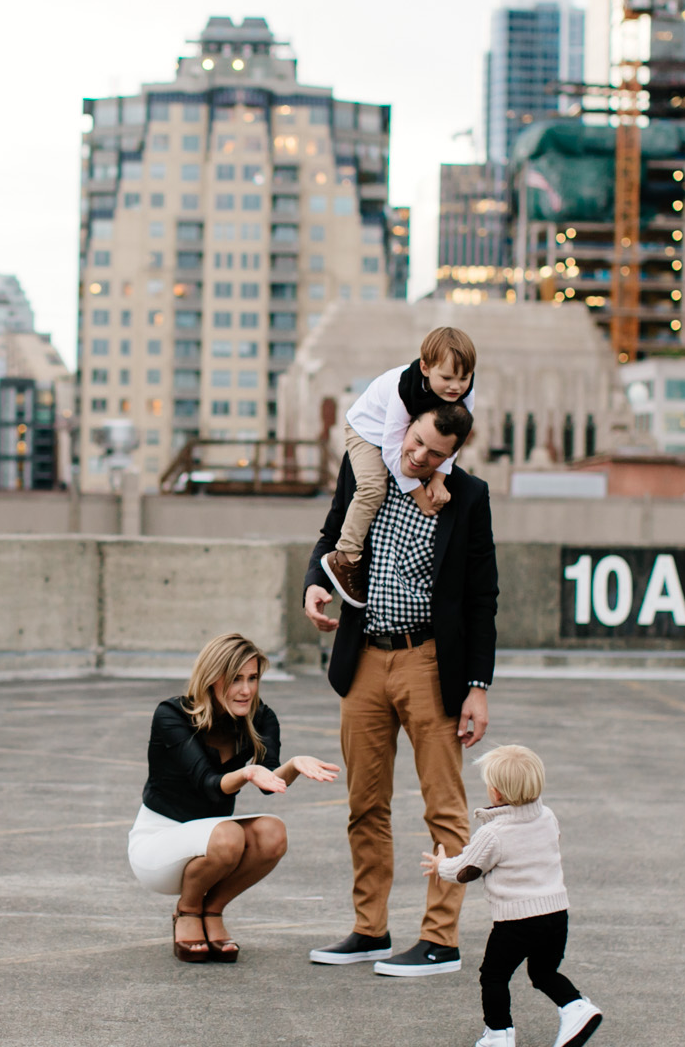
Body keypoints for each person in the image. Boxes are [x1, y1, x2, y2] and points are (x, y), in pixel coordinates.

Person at [302, 400, 498, 977]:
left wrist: (477, 686)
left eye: (434, 453)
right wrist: (315, 582)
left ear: (453, 452)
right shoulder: (369, 471)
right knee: (364, 804)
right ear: (406, 427)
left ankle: (440, 940)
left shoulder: (467, 497)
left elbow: (483, 595)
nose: (417, 457)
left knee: (445, 809)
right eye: (414, 443)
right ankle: (370, 931)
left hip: (428, 662)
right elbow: (330, 536)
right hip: (363, 658)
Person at [127, 632, 340, 963]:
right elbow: (207, 783)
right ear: (212, 678)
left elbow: (269, 782)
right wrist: (245, 773)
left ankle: (212, 910)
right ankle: (186, 911)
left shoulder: (261, 717)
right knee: (228, 835)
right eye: (235, 679)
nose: (246, 690)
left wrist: (294, 765)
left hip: (213, 843)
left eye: (253, 678)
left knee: (273, 833)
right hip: (159, 845)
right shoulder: (172, 715)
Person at [422, 744, 603, 1047]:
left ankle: (499, 1034)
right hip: (556, 914)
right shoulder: (547, 817)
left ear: (495, 793)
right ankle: (575, 1007)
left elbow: (467, 870)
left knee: (494, 975)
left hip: (517, 921)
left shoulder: (494, 832)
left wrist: (441, 866)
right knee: (544, 972)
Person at [318, 326, 478, 610]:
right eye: (447, 378)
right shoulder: (404, 388)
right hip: (367, 430)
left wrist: (440, 478)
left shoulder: (466, 393)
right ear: (426, 368)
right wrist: (417, 493)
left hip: (405, 434)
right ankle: (345, 556)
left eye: (463, 378)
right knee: (372, 487)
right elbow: (392, 448)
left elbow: (455, 439)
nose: (456, 387)